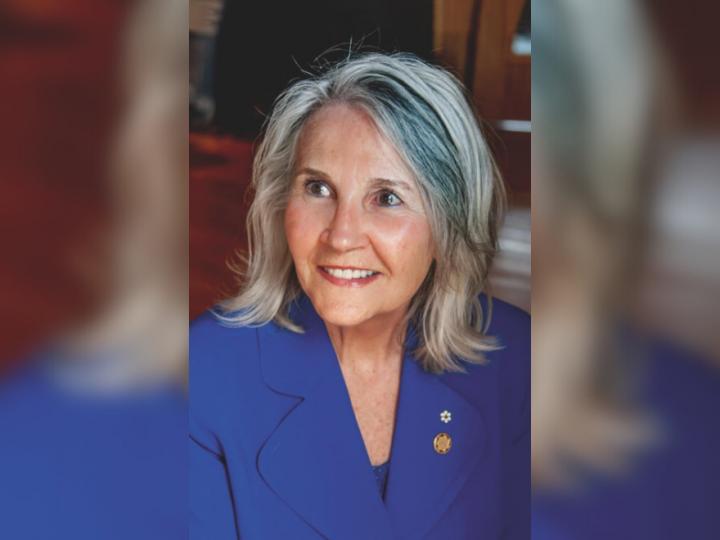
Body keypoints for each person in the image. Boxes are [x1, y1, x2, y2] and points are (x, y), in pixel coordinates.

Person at [190, 52, 530, 539]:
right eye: (318, 188)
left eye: (387, 198)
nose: (341, 235)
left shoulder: (523, 359)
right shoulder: (202, 373)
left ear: (448, 225)